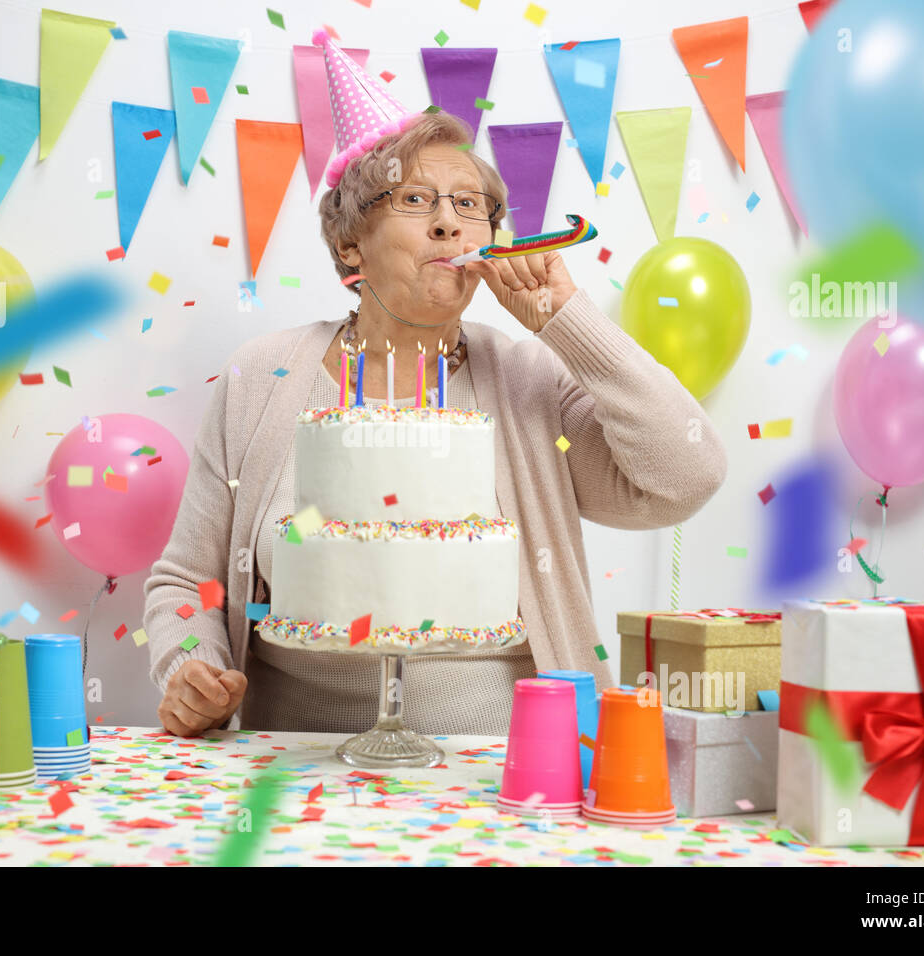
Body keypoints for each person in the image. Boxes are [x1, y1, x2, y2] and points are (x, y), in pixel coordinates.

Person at [143, 34, 727, 738]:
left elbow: (686, 477)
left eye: (471, 204)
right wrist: (189, 665)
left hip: (508, 764)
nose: (451, 221)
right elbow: (186, 583)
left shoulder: (526, 378)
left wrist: (567, 324)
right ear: (350, 244)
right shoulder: (261, 380)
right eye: (417, 199)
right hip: (295, 760)